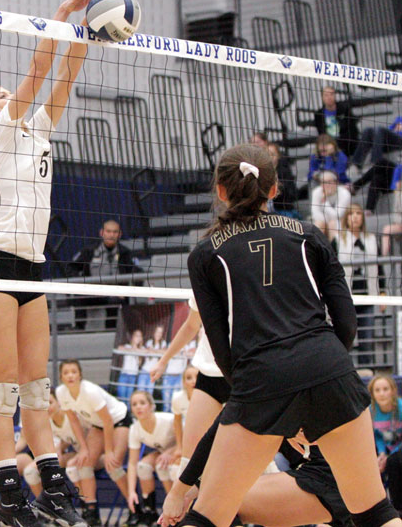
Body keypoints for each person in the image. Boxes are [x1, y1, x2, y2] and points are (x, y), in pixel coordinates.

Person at [172, 143, 400, 527]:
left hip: (262, 379)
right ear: (274, 189)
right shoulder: (310, 235)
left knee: (207, 517)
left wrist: (268, 398)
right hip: (330, 369)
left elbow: (222, 350)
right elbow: (347, 323)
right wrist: (320, 375)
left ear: (221, 191)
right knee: (376, 512)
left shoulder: (204, 255)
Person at [0, 0, 102, 527]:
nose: (7, 96)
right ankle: (9, 500)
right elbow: (39, 71)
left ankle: (55, 492)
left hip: (32, 271)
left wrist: (85, 31)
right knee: (5, 390)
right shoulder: (0, 132)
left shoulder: (36, 128)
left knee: (37, 389)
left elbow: (65, 75)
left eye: (5, 93)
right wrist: (60, 14)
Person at [162, 414, 355, 527]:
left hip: (329, 476)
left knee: (214, 507)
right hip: (349, 475)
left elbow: (224, 437)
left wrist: (181, 491)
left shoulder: (267, 379)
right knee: (213, 506)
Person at [150, 300, 231, 480]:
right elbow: (191, 325)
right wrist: (163, 361)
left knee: (244, 460)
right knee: (188, 461)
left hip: (241, 376)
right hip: (208, 374)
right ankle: (183, 498)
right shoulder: (202, 285)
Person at [56, 359, 131, 526]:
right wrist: (83, 448)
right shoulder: (61, 393)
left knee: (113, 465)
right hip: (97, 425)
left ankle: (135, 508)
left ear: (80, 375)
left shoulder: (90, 391)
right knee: (83, 463)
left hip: (118, 420)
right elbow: (74, 421)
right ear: (61, 377)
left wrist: (109, 451)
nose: (70, 375)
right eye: (66, 372)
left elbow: (108, 421)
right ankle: (91, 511)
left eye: (74, 372)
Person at [332, 204, 386, 366]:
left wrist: (382, 292)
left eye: (358, 213)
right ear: (346, 218)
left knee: (367, 339)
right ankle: (345, 370)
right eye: (351, 214)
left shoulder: (371, 240)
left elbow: (380, 268)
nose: (355, 217)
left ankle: (367, 369)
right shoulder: (338, 240)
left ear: (362, 217)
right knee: (345, 337)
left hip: (367, 295)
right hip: (346, 297)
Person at [65, 219, 143, 329]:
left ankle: (112, 330)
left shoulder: (125, 253)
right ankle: (79, 327)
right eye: (108, 231)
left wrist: (127, 291)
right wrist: (83, 284)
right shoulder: (89, 251)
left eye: (115, 232)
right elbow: (70, 267)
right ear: (102, 233)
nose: (111, 235)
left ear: (120, 234)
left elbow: (137, 272)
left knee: (116, 301)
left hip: (115, 293)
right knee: (79, 297)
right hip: (93, 292)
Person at [16, 388, 89, 499]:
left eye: (50, 403)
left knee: (70, 467)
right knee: (25, 471)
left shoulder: (71, 416)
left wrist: (59, 449)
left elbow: (75, 437)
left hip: (73, 453)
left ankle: (86, 502)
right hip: (44, 453)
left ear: (59, 402)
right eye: (44, 404)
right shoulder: (35, 414)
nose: (48, 407)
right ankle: (45, 504)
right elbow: (23, 438)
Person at [126, 391, 177, 527]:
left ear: (151, 405)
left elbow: (188, 440)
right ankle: (150, 511)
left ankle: (175, 512)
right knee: (142, 467)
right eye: (134, 404)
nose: (138, 407)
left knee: (162, 466)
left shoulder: (168, 420)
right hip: (162, 452)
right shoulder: (135, 429)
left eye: (142, 403)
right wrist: (131, 492)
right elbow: (132, 463)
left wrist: (171, 452)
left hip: (181, 450)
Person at [368, 375, 402, 514]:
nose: (381, 393)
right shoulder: (370, 411)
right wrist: (382, 453)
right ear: (372, 394)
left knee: (394, 462)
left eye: (385, 389)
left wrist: (390, 455)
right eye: (377, 390)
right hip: (384, 448)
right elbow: (376, 436)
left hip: (399, 448)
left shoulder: (400, 407)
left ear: (393, 390)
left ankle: (397, 508)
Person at [314, 86, 359, 158]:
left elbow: (353, 129)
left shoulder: (344, 109)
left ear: (335, 96)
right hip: (329, 143)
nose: (329, 97)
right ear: (322, 98)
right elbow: (321, 133)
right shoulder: (319, 114)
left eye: (331, 94)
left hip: (345, 142)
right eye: (326, 95)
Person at [170, 366, 198, 478]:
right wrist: (179, 447)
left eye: (197, 377)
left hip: (209, 438)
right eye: (189, 378)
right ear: (183, 382)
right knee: (174, 470)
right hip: (189, 437)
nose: (194, 381)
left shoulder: (213, 398)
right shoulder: (177, 398)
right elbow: (177, 422)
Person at [311, 170, 351, 241]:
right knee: (319, 224)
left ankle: (334, 247)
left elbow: (338, 215)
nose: (326, 185)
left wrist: (324, 203)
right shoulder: (316, 192)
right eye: (323, 182)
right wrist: (325, 222)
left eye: (329, 182)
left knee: (333, 224)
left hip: (342, 221)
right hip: (324, 221)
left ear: (336, 182)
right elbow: (315, 213)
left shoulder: (344, 193)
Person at [266, 142, 299, 218]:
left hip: (283, 208)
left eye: (272, 154)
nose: (270, 157)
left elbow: (289, 192)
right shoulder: (262, 171)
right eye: (267, 154)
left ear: (278, 156)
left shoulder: (284, 171)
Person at [137, 325, 167, 396]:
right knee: (140, 390)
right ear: (154, 333)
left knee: (149, 392)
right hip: (145, 370)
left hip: (153, 372)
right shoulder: (149, 342)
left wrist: (154, 351)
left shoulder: (163, 343)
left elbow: (164, 352)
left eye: (160, 332)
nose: (159, 334)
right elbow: (149, 351)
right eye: (157, 332)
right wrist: (157, 351)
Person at [116, 329, 145, 403]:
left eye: (140, 336)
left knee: (129, 397)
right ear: (133, 337)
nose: (138, 338)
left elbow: (146, 351)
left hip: (133, 376)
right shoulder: (127, 346)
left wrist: (136, 350)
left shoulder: (142, 348)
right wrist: (133, 349)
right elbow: (119, 348)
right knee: (121, 396)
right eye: (136, 336)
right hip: (124, 374)